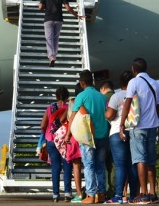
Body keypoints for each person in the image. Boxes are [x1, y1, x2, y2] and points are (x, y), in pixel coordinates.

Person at [119, 57, 159, 205]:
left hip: (138, 126)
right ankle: (152, 193)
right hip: (152, 126)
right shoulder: (154, 83)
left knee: (140, 159)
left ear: (133, 69)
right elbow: (158, 108)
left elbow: (128, 103)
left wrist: (122, 123)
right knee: (151, 160)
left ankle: (142, 193)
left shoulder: (134, 82)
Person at [66, 70, 110, 204]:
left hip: (87, 136)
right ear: (93, 82)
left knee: (89, 165)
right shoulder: (102, 97)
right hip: (103, 134)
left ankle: (90, 195)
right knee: (100, 165)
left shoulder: (81, 96)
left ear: (82, 82)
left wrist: (68, 135)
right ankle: (101, 194)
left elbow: (73, 117)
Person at [105, 71, 139, 204]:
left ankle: (118, 195)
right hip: (133, 131)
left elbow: (110, 115)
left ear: (121, 83)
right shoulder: (136, 96)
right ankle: (133, 196)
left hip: (116, 132)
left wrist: (105, 112)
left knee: (120, 165)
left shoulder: (116, 96)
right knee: (132, 164)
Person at [41, 86, 73, 203]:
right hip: (65, 139)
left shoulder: (50, 108)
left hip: (51, 140)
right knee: (67, 166)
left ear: (56, 96)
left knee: (55, 167)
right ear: (67, 96)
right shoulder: (69, 107)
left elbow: (42, 125)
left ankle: (55, 194)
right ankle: (67, 193)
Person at [39, 0, 78, 67]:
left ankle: (51, 57)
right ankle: (54, 55)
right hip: (58, 19)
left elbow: (40, 7)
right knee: (56, 38)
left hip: (48, 19)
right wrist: (76, 15)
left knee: (49, 38)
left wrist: (46, 6)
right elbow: (68, 8)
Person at [100, 81, 117, 200]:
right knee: (115, 164)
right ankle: (115, 190)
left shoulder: (102, 98)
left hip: (104, 135)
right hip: (117, 133)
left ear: (103, 89)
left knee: (104, 164)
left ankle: (106, 189)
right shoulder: (118, 96)